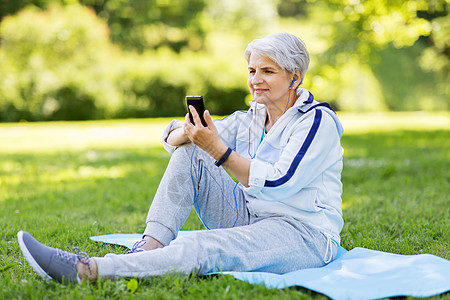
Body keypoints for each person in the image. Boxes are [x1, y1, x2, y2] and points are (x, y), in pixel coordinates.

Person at [17, 32, 344, 284]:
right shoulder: (253, 117)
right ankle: (151, 245)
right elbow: (173, 139)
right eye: (252, 70)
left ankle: (88, 269)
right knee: (191, 150)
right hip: (249, 215)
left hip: (302, 234)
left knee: (203, 247)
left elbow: (278, 182)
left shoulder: (316, 122)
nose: (256, 79)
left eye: (267, 71)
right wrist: (191, 133)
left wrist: (216, 147)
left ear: (295, 76)